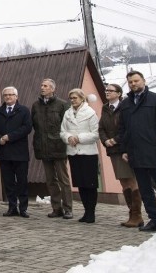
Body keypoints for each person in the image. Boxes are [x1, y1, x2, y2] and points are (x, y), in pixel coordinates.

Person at [118, 70, 156, 232]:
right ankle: (154, 219)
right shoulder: (126, 104)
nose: (133, 84)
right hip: (136, 154)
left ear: (143, 81)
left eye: (136, 81)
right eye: (130, 82)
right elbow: (123, 129)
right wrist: (124, 149)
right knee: (145, 190)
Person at [99, 83, 143, 227]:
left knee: (131, 180)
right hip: (112, 150)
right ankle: (131, 212)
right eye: (106, 90)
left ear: (118, 93)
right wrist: (105, 140)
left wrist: (115, 139)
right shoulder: (105, 108)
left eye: (111, 91)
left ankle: (137, 215)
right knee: (123, 181)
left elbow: (127, 127)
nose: (107, 92)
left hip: (125, 148)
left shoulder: (125, 106)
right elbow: (101, 128)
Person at [31, 78, 73, 219]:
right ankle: (57, 208)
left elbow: (67, 126)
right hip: (43, 148)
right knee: (50, 180)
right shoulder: (36, 105)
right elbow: (35, 126)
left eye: (46, 86)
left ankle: (68, 209)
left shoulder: (62, 105)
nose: (42, 88)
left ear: (53, 89)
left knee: (64, 180)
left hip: (59, 147)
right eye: (41, 85)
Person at [0, 86, 33, 217]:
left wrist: (10, 136)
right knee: (8, 182)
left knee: (22, 182)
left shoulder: (23, 110)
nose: (8, 97)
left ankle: (23, 208)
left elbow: (27, 127)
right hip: (5, 152)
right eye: (6, 95)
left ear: (16, 97)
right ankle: (12, 207)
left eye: (11, 95)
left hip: (20, 152)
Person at [60, 88, 100, 223]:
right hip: (73, 152)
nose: (73, 100)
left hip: (88, 152)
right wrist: (69, 137)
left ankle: (91, 212)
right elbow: (62, 131)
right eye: (71, 98)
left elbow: (95, 133)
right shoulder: (67, 113)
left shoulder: (90, 113)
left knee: (90, 184)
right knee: (80, 184)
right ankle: (85, 211)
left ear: (82, 98)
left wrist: (79, 138)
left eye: (75, 98)